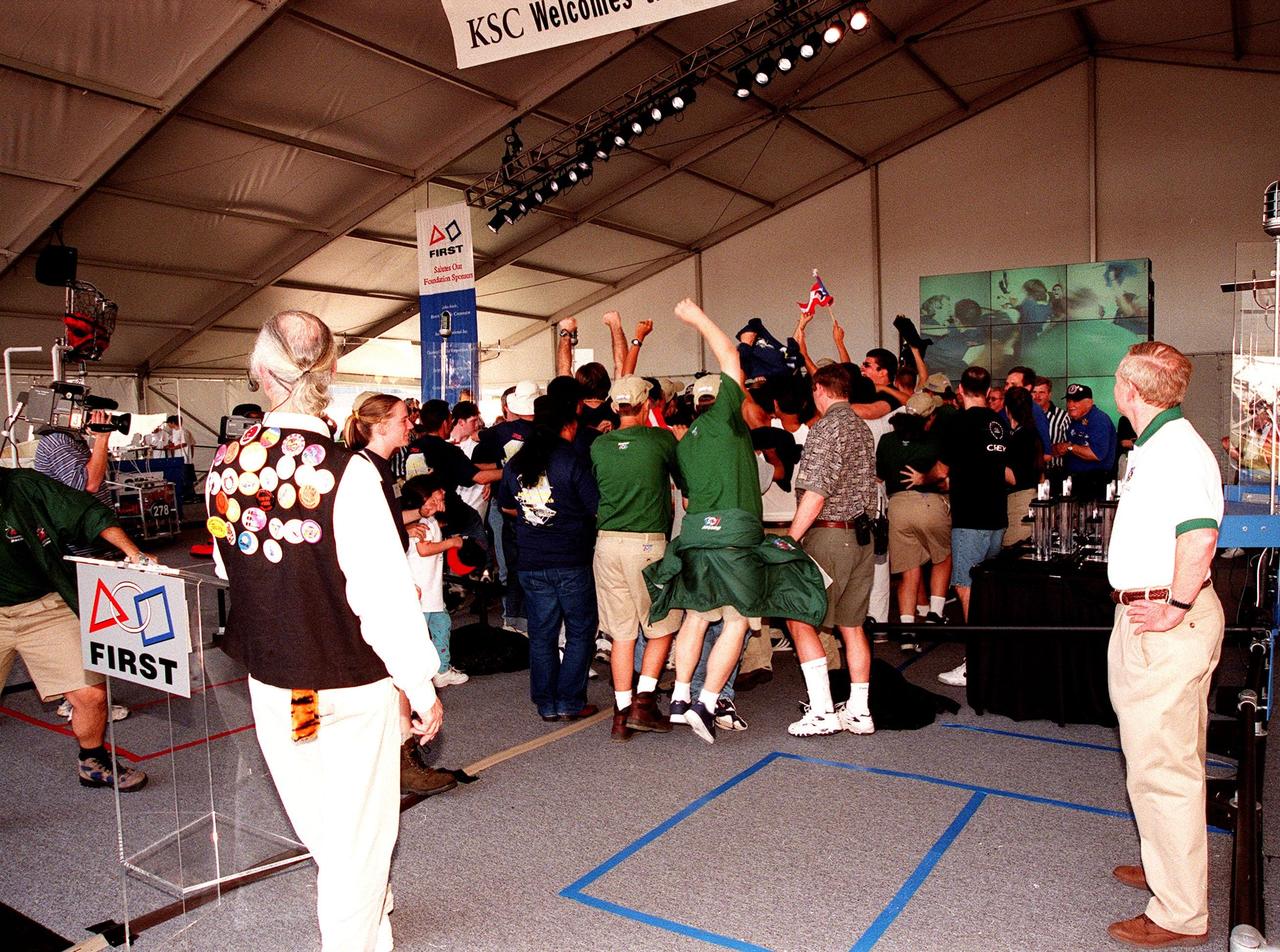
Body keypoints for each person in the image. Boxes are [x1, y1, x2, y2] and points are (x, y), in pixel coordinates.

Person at [208, 310, 443, 952]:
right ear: (331, 370)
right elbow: (382, 597)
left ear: (259, 371)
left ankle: (367, 901)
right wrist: (420, 685)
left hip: (272, 675)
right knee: (361, 834)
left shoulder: (223, 466)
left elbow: (236, 566)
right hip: (350, 677)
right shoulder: (351, 472)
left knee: (320, 821)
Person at [1104, 341, 1223, 949]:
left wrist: (1174, 608)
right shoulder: (1155, 446)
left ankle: (1179, 913)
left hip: (1166, 620)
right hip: (1151, 615)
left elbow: (1199, 540)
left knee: (1163, 770)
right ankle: (1166, 869)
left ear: (1129, 388)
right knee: (1161, 759)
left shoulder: (1176, 450)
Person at [0, 467, 149, 790]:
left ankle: (92, 761)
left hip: (43, 606)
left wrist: (133, 553)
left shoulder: (25, 486)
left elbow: (87, 511)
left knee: (91, 695)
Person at [343, 394, 459, 798]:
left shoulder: (372, 468)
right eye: (402, 418)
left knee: (389, 681)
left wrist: (409, 522)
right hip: (373, 595)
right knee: (392, 676)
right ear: (380, 425)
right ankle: (399, 760)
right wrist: (393, 578)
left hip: (384, 587)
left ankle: (398, 758)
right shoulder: (361, 472)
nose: (411, 423)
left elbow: (382, 521)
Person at [784, 363, 879, 737]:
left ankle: (822, 711)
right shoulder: (861, 426)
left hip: (829, 536)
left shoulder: (827, 428)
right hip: (861, 537)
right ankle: (859, 709)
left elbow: (817, 493)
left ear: (821, 388)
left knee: (798, 617)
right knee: (852, 626)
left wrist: (790, 540)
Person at [589, 375, 682, 740]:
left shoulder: (599, 445)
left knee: (621, 634)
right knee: (661, 625)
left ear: (614, 406)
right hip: (647, 544)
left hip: (607, 544)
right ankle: (645, 701)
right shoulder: (660, 440)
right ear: (647, 404)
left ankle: (620, 714)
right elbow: (682, 484)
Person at [499, 395, 600, 722]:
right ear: (568, 425)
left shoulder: (517, 461)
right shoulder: (572, 458)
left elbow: (506, 506)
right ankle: (570, 700)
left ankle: (546, 703)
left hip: (531, 561)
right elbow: (593, 507)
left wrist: (533, 516)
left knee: (541, 634)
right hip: (570, 559)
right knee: (581, 630)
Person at [927, 366, 1010, 688]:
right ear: (988, 391)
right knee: (987, 588)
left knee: (965, 586)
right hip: (997, 515)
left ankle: (976, 662)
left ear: (960, 389)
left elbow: (941, 468)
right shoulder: (998, 422)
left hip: (971, 517)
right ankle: (991, 656)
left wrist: (924, 477)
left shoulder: (957, 422)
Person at [877, 392, 951, 648]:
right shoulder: (935, 440)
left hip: (897, 506)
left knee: (908, 571)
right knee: (943, 556)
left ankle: (907, 630)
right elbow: (942, 472)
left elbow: (879, 477)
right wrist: (926, 478)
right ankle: (935, 613)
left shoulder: (886, 441)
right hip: (929, 502)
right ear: (930, 418)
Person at [400, 474, 468, 688]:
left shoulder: (427, 520)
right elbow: (424, 549)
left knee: (441, 625)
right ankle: (429, 672)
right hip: (421, 591)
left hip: (429, 590)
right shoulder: (420, 521)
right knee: (423, 633)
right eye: (436, 493)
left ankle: (441, 669)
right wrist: (452, 543)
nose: (443, 493)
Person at [1054, 383, 1117, 500]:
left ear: (1089, 402)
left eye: (1076, 401)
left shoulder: (1098, 419)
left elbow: (1096, 454)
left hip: (1094, 483)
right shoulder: (1076, 421)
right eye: (1069, 401)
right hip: (1076, 481)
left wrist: (1070, 447)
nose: (1070, 405)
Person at [1002, 386, 1043, 547]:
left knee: (1013, 550)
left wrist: (990, 458)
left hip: (1018, 502)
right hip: (1029, 498)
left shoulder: (1021, 437)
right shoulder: (1032, 434)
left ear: (1007, 409)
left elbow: (1014, 478)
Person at [1031, 376, 1070, 484]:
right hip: (1029, 473)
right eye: (1033, 392)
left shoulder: (1063, 417)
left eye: (1042, 392)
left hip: (1054, 473)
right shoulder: (1024, 415)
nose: (1037, 396)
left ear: (1049, 394)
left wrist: (1057, 448)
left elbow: (1070, 445)